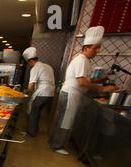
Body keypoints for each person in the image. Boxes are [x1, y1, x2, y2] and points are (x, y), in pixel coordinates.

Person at [48, 26, 116, 155]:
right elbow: (82, 82)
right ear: (86, 48)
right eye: (95, 48)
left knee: (62, 119)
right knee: (66, 120)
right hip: (71, 94)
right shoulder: (81, 60)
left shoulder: (84, 61)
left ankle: (54, 141)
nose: (97, 51)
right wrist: (103, 88)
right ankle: (56, 145)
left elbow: (85, 81)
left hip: (70, 93)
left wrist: (100, 80)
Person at [22, 47, 55, 137]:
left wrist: (25, 93)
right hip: (50, 94)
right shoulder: (48, 66)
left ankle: (31, 132)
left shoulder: (35, 68)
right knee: (37, 112)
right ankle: (34, 129)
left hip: (41, 93)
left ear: (29, 61)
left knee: (32, 112)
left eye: (27, 63)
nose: (28, 65)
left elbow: (31, 85)